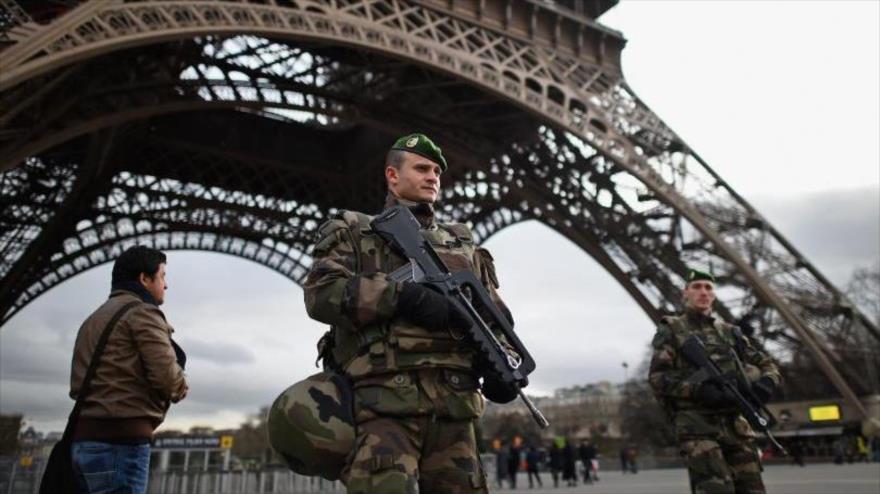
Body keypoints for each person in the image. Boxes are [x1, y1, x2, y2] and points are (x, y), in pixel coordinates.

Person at [304, 133, 518, 493]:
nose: (432, 176)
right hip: (383, 407)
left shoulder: (463, 244)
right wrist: (402, 296)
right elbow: (322, 295)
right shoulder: (353, 231)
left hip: (456, 407)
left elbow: (494, 313)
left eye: (436, 170)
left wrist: (503, 362)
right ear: (392, 175)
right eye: (421, 168)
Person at [649, 268, 781, 494]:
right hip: (697, 426)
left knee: (753, 489)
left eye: (708, 287)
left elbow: (767, 364)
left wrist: (766, 384)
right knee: (717, 490)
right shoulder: (673, 330)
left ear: (714, 295)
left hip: (735, 425)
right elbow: (657, 378)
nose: (703, 292)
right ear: (686, 292)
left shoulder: (731, 333)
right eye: (697, 287)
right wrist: (698, 390)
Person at [69, 246, 188, 493]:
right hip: (120, 443)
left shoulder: (93, 319)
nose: (166, 285)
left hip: (83, 441)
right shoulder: (143, 313)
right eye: (163, 276)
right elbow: (169, 379)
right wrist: (181, 381)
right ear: (144, 279)